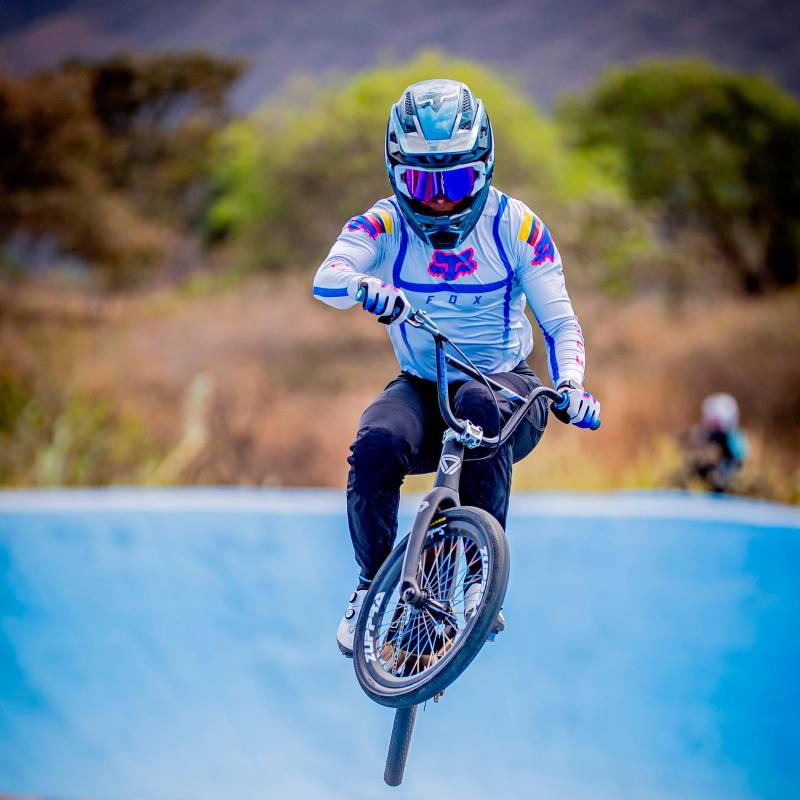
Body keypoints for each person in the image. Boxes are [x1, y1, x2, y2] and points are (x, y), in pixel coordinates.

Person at [312, 79, 601, 657]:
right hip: (423, 387)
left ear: (486, 168)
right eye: (422, 182)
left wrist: (571, 385)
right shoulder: (384, 222)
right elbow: (327, 278)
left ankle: (476, 580)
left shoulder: (517, 228)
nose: (441, 200)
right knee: (375, 442)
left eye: (458, 181)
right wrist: (365, 286)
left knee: (476, 406)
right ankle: (370, 587)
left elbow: (561, 324)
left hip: (506, 388)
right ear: (396, 175)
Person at [682, 393, 749, 493]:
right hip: (705, 480)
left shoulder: (733, 437)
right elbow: (688, 446)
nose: (713, 424)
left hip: (727, 479)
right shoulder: (704, 433)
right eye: (712, 420)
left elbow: (739, 459)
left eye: (716, 421)